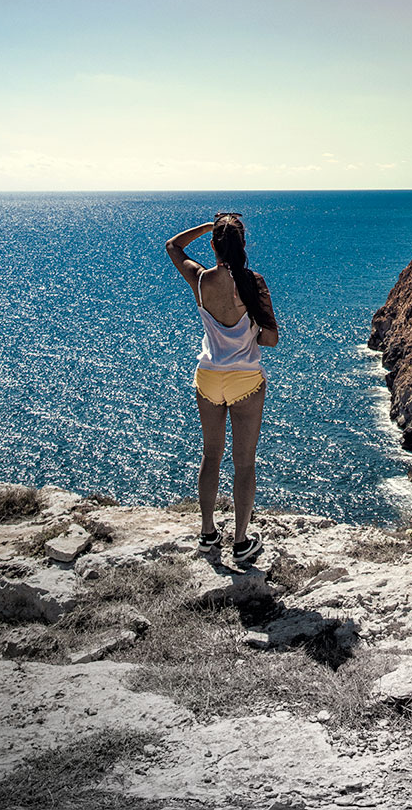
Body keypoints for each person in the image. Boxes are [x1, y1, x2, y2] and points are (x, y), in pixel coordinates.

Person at [165, 211, 279, 565]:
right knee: (244, 464)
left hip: (209, 377)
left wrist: (208, 227)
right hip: (245, 379)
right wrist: (251, 335)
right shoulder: (254, 282)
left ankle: (207, 533)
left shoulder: (199, 280)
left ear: (214, 245)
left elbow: (173, 246)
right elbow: (271, 339)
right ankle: (242, 542)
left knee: (210, 456)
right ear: (244, 245)